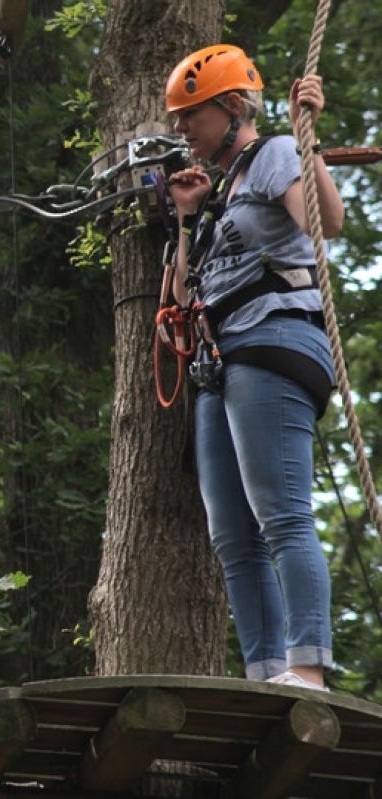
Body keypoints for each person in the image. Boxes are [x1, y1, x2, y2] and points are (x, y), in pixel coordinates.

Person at [163, 45, 343, 691]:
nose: (179, 129)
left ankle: (306, 665)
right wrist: (187, 220)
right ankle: (266, 672)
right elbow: (182, 300)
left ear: (231, 106)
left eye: (190, 114)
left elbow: (325, 224)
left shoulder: (270, 154)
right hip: (220, 362)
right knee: (231, 536)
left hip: (271, 341)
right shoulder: (217, 194)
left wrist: (307, 137)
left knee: (282, 514)